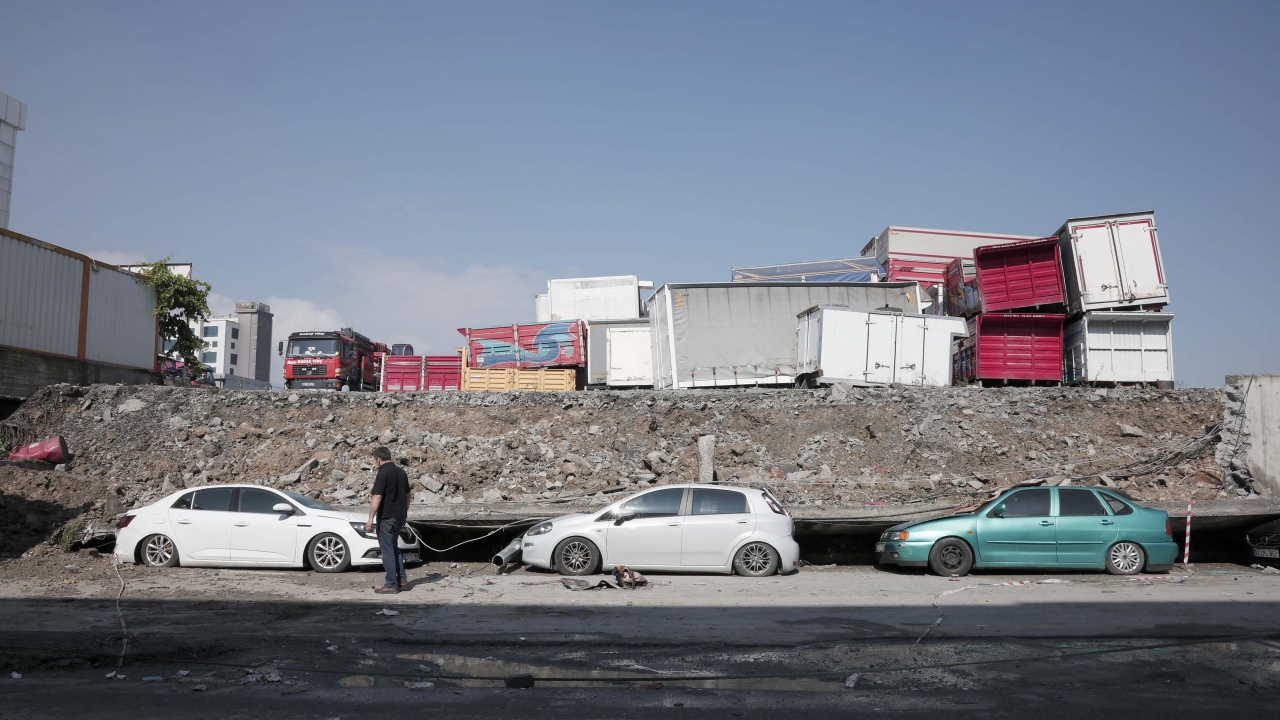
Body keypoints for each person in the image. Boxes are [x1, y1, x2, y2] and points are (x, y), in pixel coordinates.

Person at [366, 446, 410, 594]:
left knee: (387, 550)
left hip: (386, 517)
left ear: (378, 459)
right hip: (399, 516)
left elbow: (377, 496)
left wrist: (370, 519)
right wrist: (404, 512)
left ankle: (391, 584)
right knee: (394, 547)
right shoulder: (401, 472)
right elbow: (408, 496)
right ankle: (401, 579)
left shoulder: (383, 473)